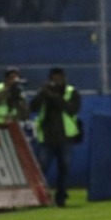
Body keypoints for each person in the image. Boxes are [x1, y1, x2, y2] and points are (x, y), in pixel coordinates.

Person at [28, 67, 81, 207]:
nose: (57, 81)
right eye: (54, 78)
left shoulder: (71, 92)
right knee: (42, 168)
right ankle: (38, 197)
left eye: (60, 78)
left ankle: (61, 197)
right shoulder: (45, 93)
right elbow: (33, 107)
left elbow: (71, 109)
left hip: (65, 137)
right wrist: (42, 93)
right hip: (47, 137)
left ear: (65, 78)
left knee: (64, 169)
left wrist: (53, 96)